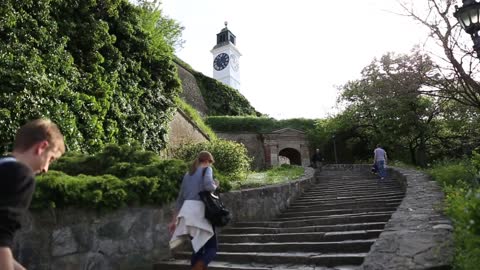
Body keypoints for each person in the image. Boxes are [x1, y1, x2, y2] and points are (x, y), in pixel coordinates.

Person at [0, 119, 65, 270]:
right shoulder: (21, 174)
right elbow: (1, 237)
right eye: (51, 159)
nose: (46, 169)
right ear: (42, 147)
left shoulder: (3, 165)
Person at [168, 151, 219, 270]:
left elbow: (180, 198)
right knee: (212, 248)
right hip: (199, 211)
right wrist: (215, 185)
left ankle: (197, 267)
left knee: (198, 248)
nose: (210, 165)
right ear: (207, 161)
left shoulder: (187, 174)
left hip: (186, 214)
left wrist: (174, 220)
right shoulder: (207, 169)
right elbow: (208, 186)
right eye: (210, 162)